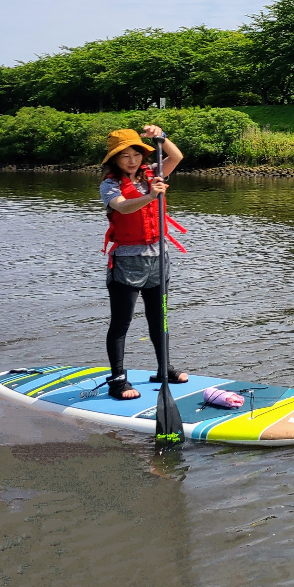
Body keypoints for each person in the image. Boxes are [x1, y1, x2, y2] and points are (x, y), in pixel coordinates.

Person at [99, 126, 187, 400]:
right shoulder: (110, 185)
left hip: (158, 260)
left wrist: (160, 137)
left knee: (158, 318)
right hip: (127, 262)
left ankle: (164, 368)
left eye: (135, 153)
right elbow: (123, 206)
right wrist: (150, 196)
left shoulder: (153, 174)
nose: (131, 160)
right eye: (124, 155)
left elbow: (177, 156)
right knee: (121, 323)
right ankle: (117, 380)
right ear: (114, 159)